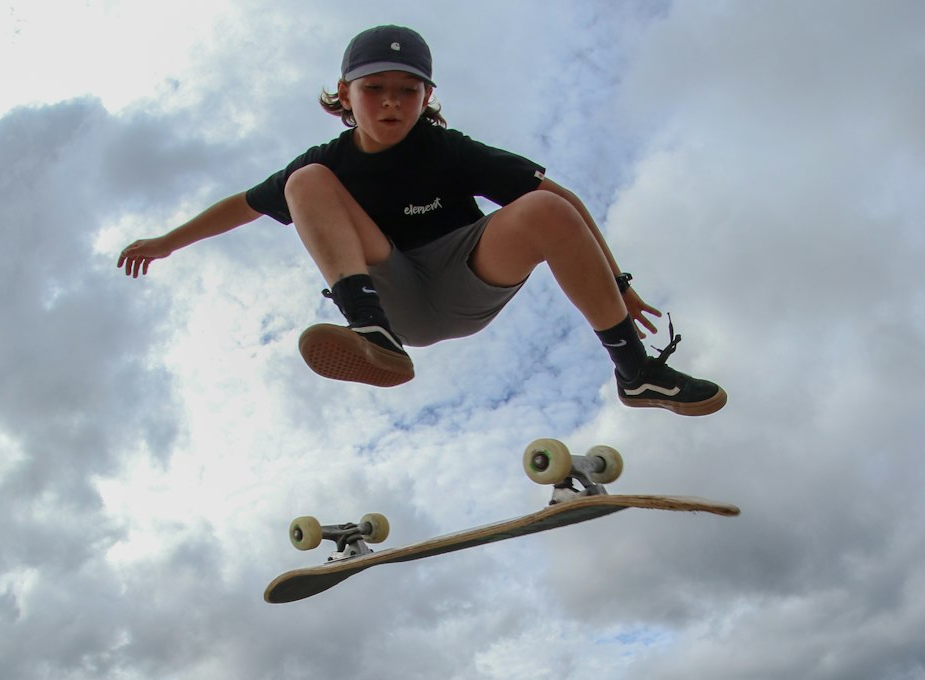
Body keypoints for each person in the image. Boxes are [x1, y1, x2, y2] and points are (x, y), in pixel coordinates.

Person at [118, 25, 726, 416]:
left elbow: (566, 203)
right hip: (394, 295)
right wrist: (168, 243)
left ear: (427, 96)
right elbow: (243, 207)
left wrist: (616, 280)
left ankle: (636, 371)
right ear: (345, 93)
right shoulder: (327, 161)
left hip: (466, 280)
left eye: (408, 92)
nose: (390, 103)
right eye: (375, 89)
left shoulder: (449, 149)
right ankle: (372, 335)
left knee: (544, 206)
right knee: (304, 183)